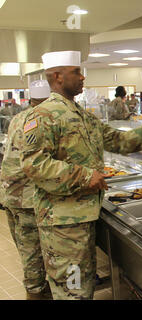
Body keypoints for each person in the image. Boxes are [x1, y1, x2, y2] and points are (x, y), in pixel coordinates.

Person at [19, 51, 142, 300]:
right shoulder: (42, 115)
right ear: (57, 77)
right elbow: (34, 164)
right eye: (76, 71)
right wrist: (85, 176)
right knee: (72, 291)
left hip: (82, 217)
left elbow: (120, 140)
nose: (83, 76)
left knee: (82, 287)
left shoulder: (84, 116)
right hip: (63, 225)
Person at [0, 80, 52, 300]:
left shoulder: (18, 118)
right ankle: (36, 293)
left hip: (9, 195)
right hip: (26, 199)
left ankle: (38, 288)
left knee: (24, 247)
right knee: (32, 252)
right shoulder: (40, 120)